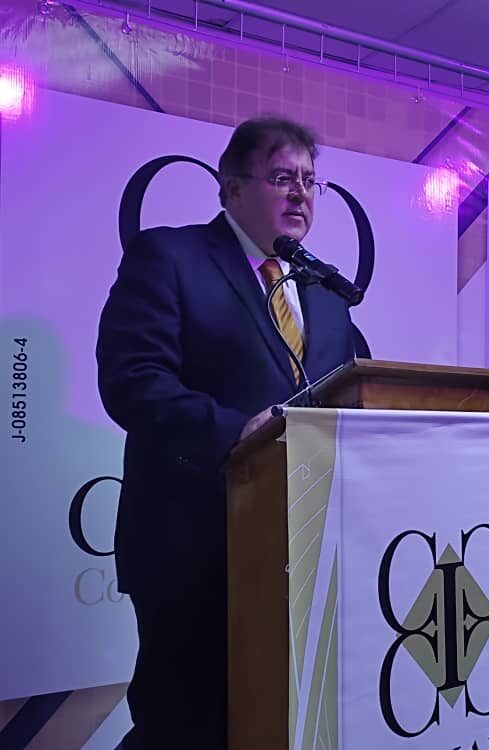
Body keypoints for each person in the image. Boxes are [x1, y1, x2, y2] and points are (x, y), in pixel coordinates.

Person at [96, 117, 358, 749]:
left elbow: (348, 396)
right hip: (193, 549)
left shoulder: (323, 293)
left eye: (310, 180)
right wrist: (238, 432)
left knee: (282, 720)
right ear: (232, 188)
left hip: (302, 551)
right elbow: (133, 380)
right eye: (282, 177)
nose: (300, 193)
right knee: (185, 727)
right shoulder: (171, 258)